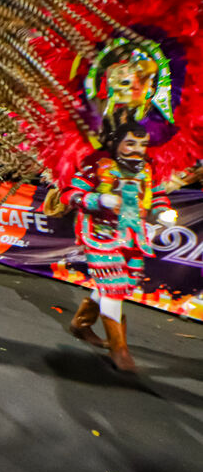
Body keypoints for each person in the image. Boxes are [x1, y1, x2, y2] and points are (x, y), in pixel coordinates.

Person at [63, 119, 176, 372]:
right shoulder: (97, 165)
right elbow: (69, 194)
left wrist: (164, 212)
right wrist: (99, 199)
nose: (138, 149)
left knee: (119, 284)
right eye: (131, 143)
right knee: (112, 287)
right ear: (116, 144)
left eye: (143, 144)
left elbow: (157, 196)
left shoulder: (148, 168)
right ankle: (119, 348)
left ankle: (81, 324)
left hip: (134, 237)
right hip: (101, 236)